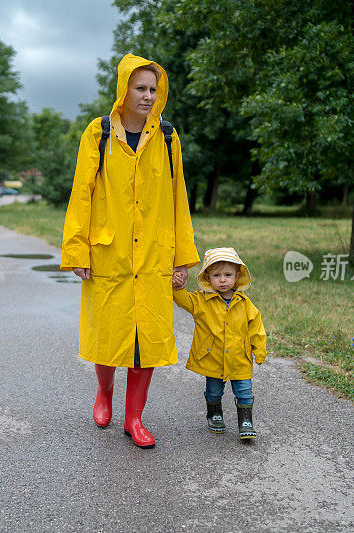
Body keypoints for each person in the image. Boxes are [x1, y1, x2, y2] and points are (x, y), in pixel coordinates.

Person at [61, 53, 199, 449]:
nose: (148, 95)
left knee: (148, 339)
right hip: (110, 252)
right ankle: (104, 391)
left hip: (154, 253)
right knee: (110, 331)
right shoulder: (98, 133)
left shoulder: (168, 137)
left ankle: (133, 418)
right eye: (140, 88)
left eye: (154, 89)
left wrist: (181, 258)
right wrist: (78, 250)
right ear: (124, 90)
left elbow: (179, 197)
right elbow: (81, 193)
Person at [171, 247, 266, 439]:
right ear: (207, 277)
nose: (222, 280)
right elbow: (182, 301)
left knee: (245, 391)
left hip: (240, 358)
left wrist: (260, 350)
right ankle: (214, 413)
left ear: (237, 275)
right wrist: (177, 287)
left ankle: (245, 420)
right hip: (212, 356)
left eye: (228, 274)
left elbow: (256, 327)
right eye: (216, 275)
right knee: (214, 391)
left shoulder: (245, 303)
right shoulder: (201, 300)